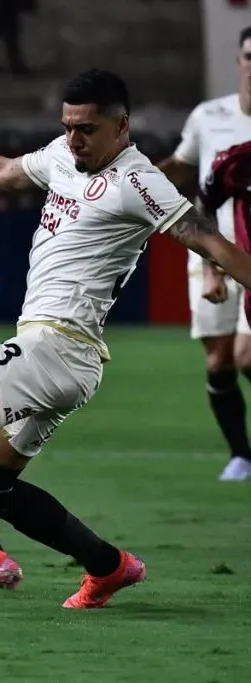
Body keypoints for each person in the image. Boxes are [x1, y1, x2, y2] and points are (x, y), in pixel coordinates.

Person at [0, 68, 251, 608]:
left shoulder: (139, 181)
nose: (74, 139)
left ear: (122, 127)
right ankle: (109, 567)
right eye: (68, 127)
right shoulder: (64, 157)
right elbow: (1, 172)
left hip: (57, 347)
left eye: (87, 129)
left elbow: (208, 240)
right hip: (61, 352)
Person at [157, 26, 251, 482]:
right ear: (239, 61)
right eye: (250, 56)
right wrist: (135, 180)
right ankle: (242, 455)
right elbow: (184, 167)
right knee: (219, 361)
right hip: (210, 245)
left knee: (248, 355)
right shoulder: (210, 116)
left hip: (249, 258)